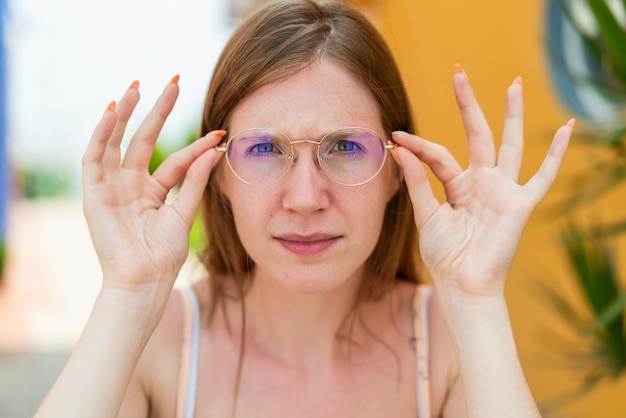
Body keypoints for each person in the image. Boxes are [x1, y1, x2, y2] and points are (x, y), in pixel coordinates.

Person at [34, 0, 574, 417]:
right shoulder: (158, 343)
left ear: (396, 171)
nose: (305, 198)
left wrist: (477, 301)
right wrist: (127, 295)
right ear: (216, 172)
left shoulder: (452, 342)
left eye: (344, 147)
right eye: (266, 149)